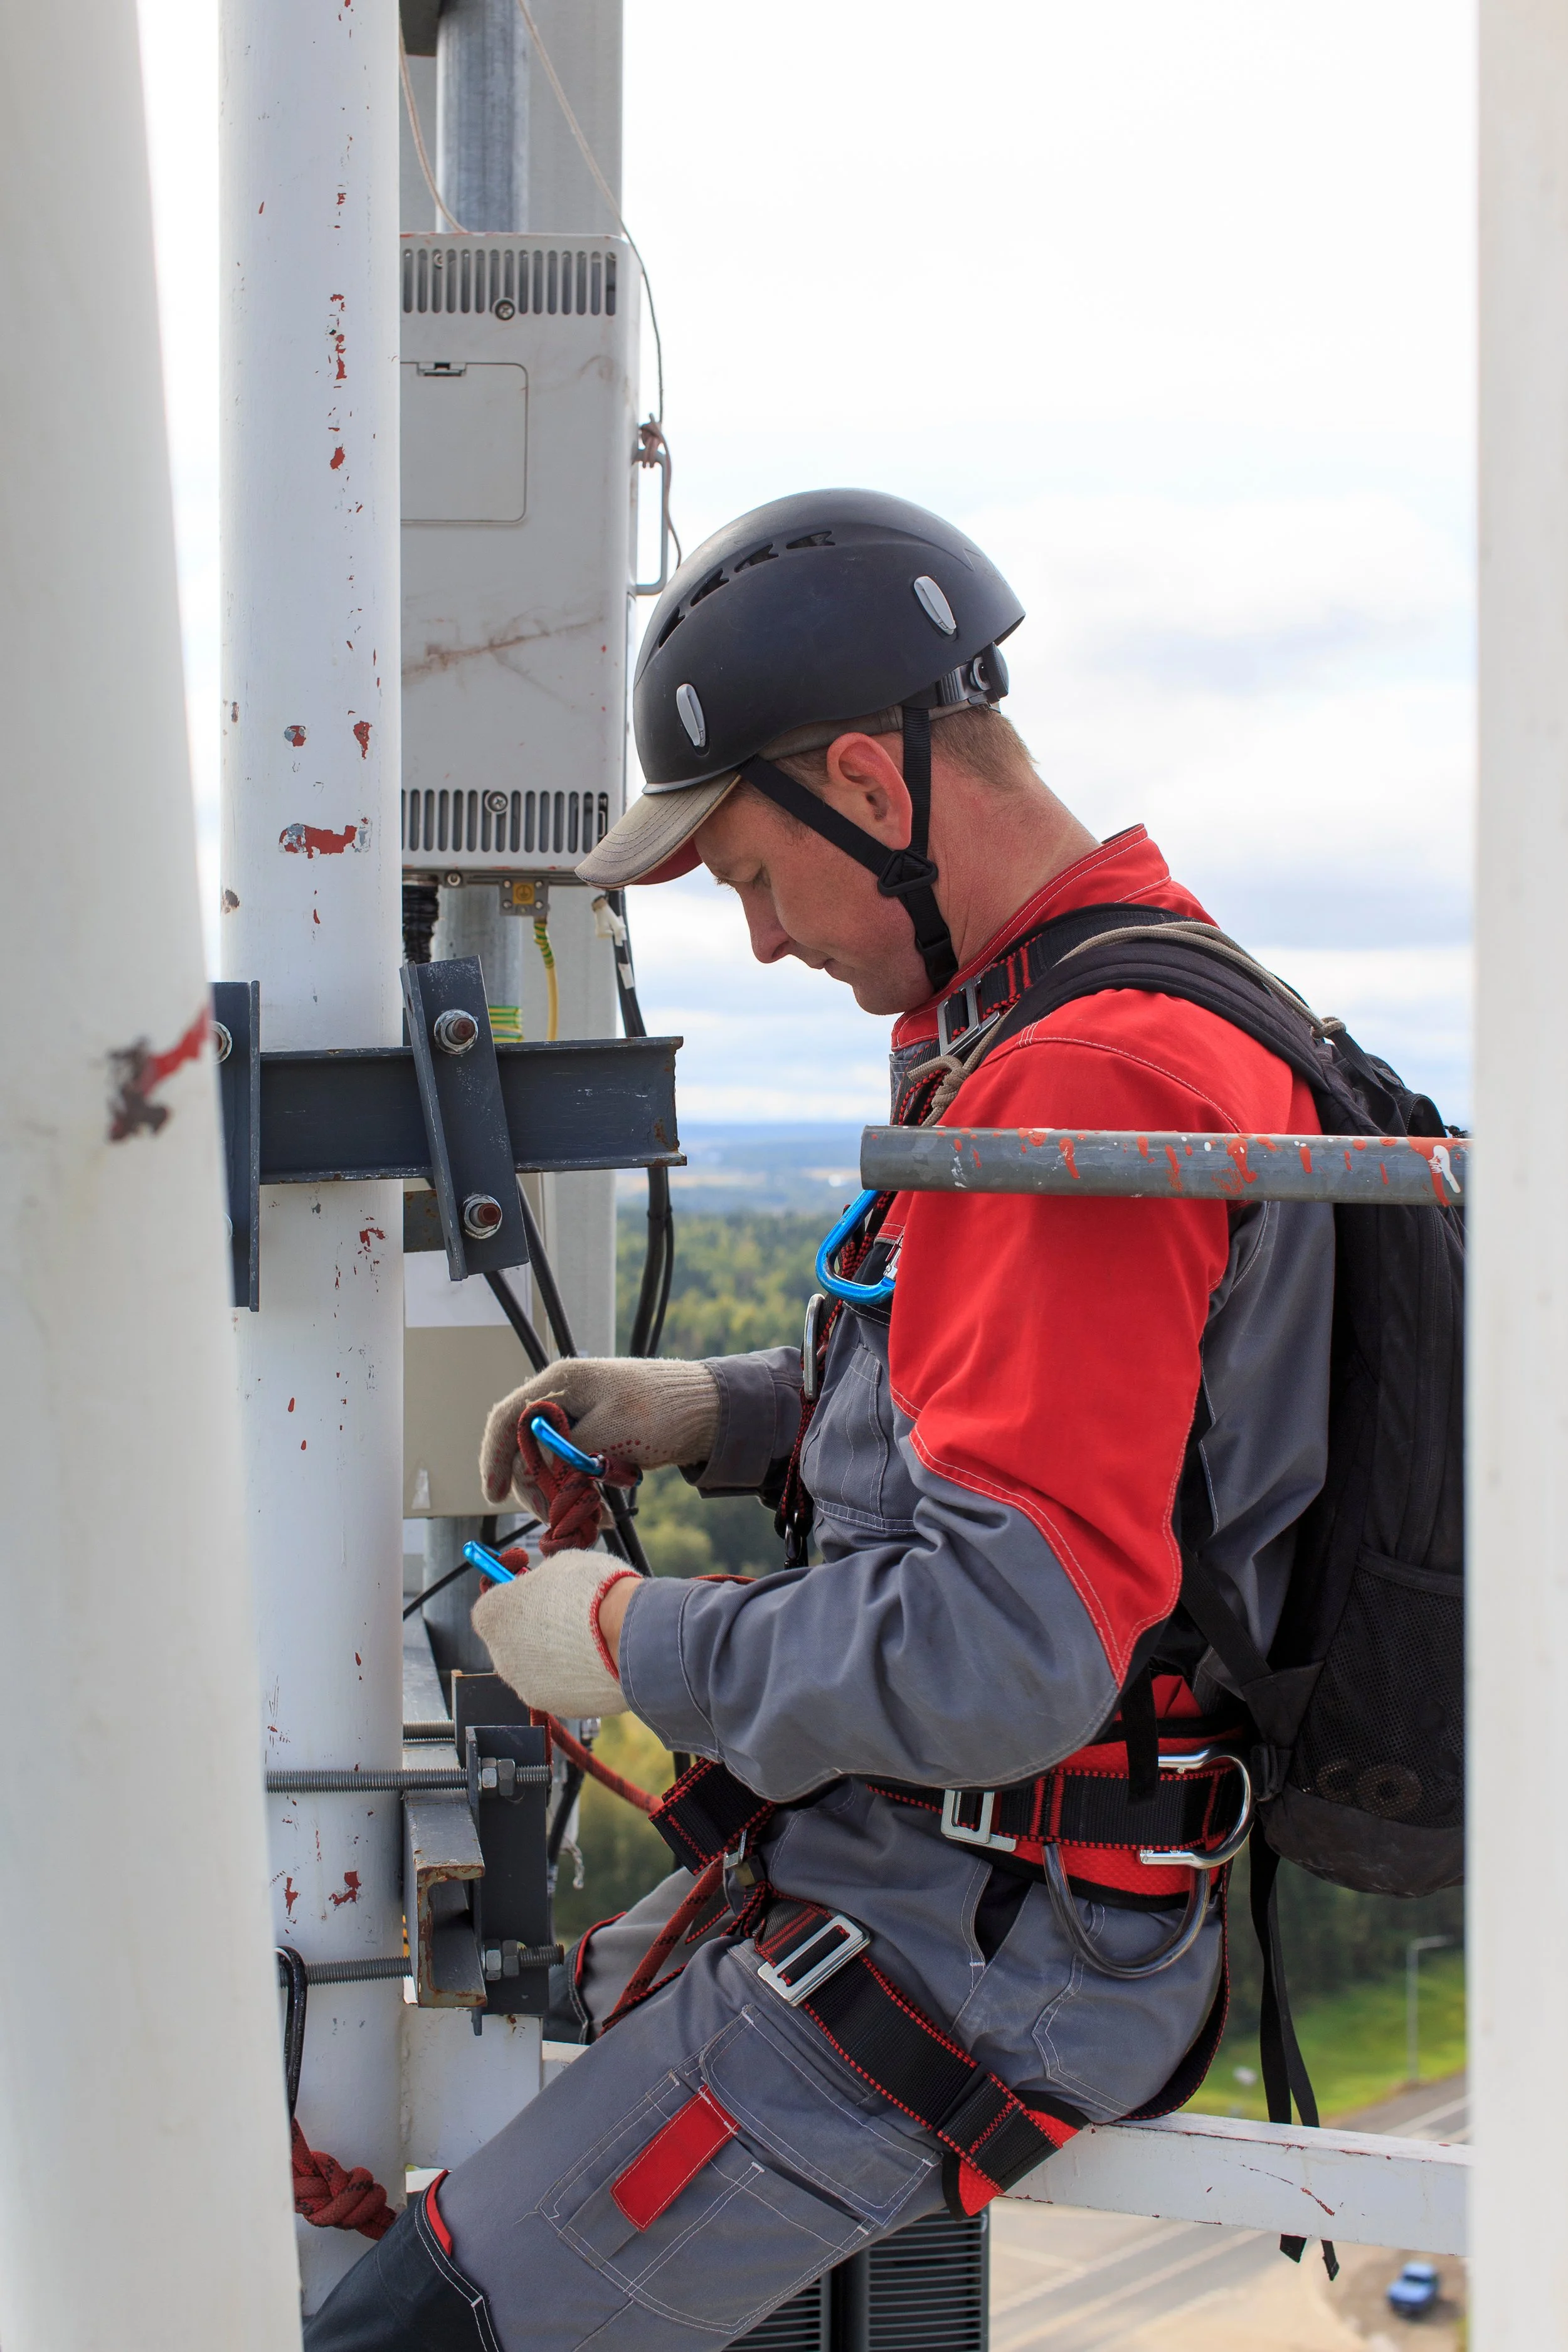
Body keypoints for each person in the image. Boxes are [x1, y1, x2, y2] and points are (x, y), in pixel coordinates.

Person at [307, 489, 1332, 2349]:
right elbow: (1054, 1446)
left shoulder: (1081, 1082)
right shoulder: (1115, 1009)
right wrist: (716, 1411)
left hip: (978, 1948)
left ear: (870, 780)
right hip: (956, 1887)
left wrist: (626, 1635)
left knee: (407, 2334)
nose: (766, 943)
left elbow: (1003, 1644)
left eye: (757, 878)